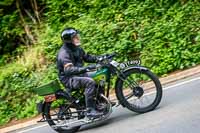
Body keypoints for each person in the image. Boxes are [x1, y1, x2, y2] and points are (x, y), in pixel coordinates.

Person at [56, 27, 103, 118]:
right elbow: (69, 70)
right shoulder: (64, 53)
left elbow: (87, 57)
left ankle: (99, 102)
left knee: (100, 75)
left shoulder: (76, 48)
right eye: (75, 37)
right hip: (68, 78)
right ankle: (90, 110)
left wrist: (100, 58)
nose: (77, 38)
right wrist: (85, 68)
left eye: (77, 36)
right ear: (69, 40)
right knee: (90, 82)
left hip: (78, 74)